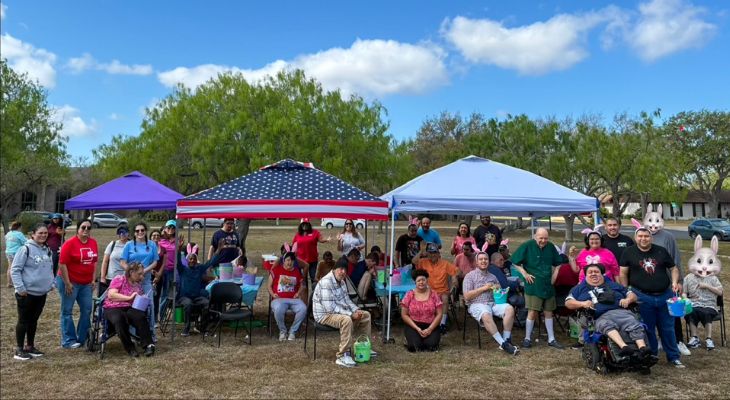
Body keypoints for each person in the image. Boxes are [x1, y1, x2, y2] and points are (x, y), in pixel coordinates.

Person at [619, 227, 685, 368]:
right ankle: (652, 355)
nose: (643, 239)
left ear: (651, 238)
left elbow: (673, 268)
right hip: (642, 296)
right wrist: (627, 290)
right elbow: (623, 273)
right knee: (648, 329)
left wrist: (674, 282)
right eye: (640, 236)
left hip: (665, 295)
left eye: (646, 236)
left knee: (668, 328)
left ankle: (673, 357)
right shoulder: (628, 252)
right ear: (636, 238)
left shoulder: (661, 251)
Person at [565, 264, 652, 359]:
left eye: (596, 272)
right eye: (590, 272)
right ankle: (624, 347)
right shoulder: (579, 288)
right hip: (599, 317)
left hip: (621, 313)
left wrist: (628, 300)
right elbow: (568, 303)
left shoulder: (613, 285)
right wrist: (582, 303)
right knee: (606, 325)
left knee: (632, 322)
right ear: (586, 275)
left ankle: (643, 348)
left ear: (602, 274)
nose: (593, 274)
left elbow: (632, 295)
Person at [313, 262, 377, 367]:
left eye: (345, 270)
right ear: (334, 269)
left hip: (336, 312)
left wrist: (356, 310)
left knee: (365, 315)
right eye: (340, 269)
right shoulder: (326, 282)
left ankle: (363, 347)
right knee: (346, 320)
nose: (343, 272)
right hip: (324, 315)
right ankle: (342, 356)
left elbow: (347, 301)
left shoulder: (342, 282)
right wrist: (351, 314)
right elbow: (330, 308)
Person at [511, 228, 564, 349]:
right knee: (532, 312)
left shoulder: (550, 246)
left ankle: (551, 339)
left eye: (546, 238)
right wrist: (524, 274)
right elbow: (515, 261)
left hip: (548, 285)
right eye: (541, 238)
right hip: (533, 285)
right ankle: (527, 338)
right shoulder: (527, 245)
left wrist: (555, 275)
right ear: (535, 236)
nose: (543, 241)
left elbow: (558, 263)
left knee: (549, 311)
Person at [10, 223, 54, 360]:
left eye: (45, 233)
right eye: (40, 233)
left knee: (33, 321)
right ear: (33, 234)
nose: (43, 235)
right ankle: (19, 349)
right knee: (23, 321)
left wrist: (51, 283)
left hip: (41, 293)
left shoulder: (47, 249)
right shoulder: (25, 249)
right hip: (26, 293)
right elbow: (15, 269)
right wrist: (20, 288)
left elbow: (50, 267)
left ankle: (30, 346)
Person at [463, 251, 519, 355]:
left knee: (510, 309)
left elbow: (500, 294)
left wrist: (498, 289)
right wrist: (483, 288)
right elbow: (466, 296)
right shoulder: (469, 276)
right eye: (481, 259)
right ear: (476, 262)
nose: (483, 261)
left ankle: (507, 340)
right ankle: (503, 344)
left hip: (493, 304)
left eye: (485, 259)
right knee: (486, 314)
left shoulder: (493, 277)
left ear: (488, 261)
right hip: (477, 304)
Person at [57, 220, 98, 349]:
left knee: (87, 309)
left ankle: (83, 337)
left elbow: (94, 262)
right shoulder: (69, 243)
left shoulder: (93, 243)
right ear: (78, 229)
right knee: (67, 310)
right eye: (83, 227)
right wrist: (67, 283)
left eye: (88, 227)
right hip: (70, 281)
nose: (86, 229)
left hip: (86, 283)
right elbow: (62, 264)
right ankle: (68, 340)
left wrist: (93, 279)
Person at [103, 262, 155, 357]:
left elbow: (137, 299)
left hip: (130, 307)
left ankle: (148, 345)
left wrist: (143, 298)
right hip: (113, 307)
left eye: (142, 274)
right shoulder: (119, 279)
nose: (142, 276)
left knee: (140, 317)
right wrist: (129, 297)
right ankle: (130, 348)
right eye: (139, 274)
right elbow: (111, 295)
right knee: (119, 319)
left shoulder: (137, 285)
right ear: (131, 272)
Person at [120, 222, 159, 342]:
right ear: (134, 233)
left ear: (146, 231)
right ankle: (133, 334)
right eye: (137, 231)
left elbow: (155, 262)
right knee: (132, 306)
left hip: (146, 280)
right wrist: (131, 272)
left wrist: (143, 272)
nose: (140, 232)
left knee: (150, 305)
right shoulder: (129, 245)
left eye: (142, 230)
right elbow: (122, 261)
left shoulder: (152, 245)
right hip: (131, 282)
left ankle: (151, 333)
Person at [413, 242, 459, 334]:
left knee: (445, 298)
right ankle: (425, 321)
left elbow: (457, 271)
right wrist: (421, 251)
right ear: (427, 254)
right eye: (430, 253)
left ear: (438, 254)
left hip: (442, 291)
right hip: (427, 291)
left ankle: (442, 323)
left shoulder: (445, 264)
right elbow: (414, 261)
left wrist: (454, 277)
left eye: (434, 253)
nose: (432, 255)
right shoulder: (423, 262)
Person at [177, 243, 222, 336]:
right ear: (187, 260)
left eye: (194, 259)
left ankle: (202, 327)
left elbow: (210, 262)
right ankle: (186, 329)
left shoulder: (199, 269)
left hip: (197, 296)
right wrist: (178, 250)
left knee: (207, 303)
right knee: (188, 304)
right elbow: (177, 262)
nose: (192, 260)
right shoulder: (183, 270)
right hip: (184, 297)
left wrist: (218, 250)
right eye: (190, 259)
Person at [400, 269, 443, 352]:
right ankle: (411, 338)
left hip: (431, 324)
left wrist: (430, 329)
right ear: (415, 282)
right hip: (414, 325)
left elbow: (439, 314)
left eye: (423, 280)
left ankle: (427, 338)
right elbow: (404, 314)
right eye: (418, 280)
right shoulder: (409, 294)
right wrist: (417, 328)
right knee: (414, 347)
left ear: (427, 281)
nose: (421, 282)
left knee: (431, 346)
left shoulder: (434, 294)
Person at [268, 252, 307, 341]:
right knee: (278, 309)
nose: (290, 262)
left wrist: (298, 293)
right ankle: (282, 331)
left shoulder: (297, 271)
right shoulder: (276, 270)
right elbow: (269, 286)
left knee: (303, 308)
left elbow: (302, 285)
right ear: (284, 261)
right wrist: (272, 294)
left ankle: (292, 331)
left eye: (292, 261)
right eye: (288, 260)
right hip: (279, 299)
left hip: (293, 299)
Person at [157, 220, 181, 322]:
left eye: (173, 227)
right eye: (169, 227)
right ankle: (160, 316)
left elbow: (179, 255)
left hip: (173, 270)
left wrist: (179, 248)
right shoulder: (160, 240)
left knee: (173, 292)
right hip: (163, 270)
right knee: (164, 293)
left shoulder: (177, 240)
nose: (171, 229)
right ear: (165, 228)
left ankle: (167, 313)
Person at [99, 225, 131, 296]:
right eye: (120, 232)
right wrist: (103, 277)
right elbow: (105, 261)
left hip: (126, 279)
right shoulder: (112, 244)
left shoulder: (131, 245)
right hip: (111, 278)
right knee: (109, 299)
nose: (122, 234)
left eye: (124, 232)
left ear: (128, 233)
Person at [5, 221, 26, 288]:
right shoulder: (19, 234)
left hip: (8, 252)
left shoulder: (8, 233)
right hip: (16, 253)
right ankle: (17, 283)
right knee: (18, 268)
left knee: (10, 267)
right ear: (19, 227)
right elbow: (25, 242)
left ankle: (9, 283)